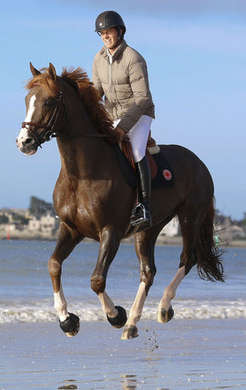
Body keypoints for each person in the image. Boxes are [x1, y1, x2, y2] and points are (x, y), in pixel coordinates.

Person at [91, 10, 156, 228]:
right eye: (101, 33)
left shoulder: (133, 58)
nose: (105, 36)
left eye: (108, 32)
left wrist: (123, 127)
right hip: (112, 116)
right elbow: (96, 93)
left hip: (140, 113)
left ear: (120, 31)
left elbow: (142, 98)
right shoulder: (98, 59)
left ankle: (144, 207)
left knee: (136, 151)